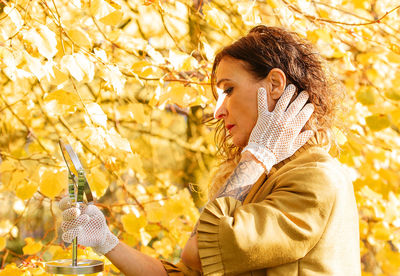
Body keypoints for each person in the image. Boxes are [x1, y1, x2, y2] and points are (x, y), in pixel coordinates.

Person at [59, 25, 361, 275]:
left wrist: (255, 157)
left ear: (274, 85)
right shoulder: (261, 178)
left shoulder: (316, 178)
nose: (217, 111)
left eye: (228, 90)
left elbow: (198, 251)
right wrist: (106, 241)